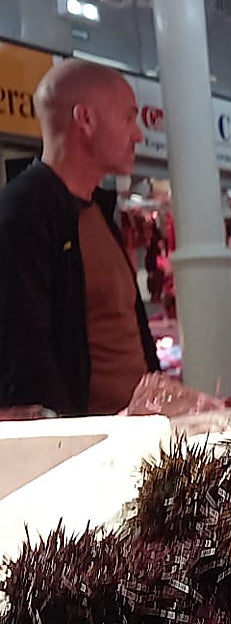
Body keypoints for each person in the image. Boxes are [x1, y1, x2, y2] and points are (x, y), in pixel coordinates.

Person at [0, 59, 159, 416]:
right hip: (90, 451)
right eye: (128, 117)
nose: (138, 134)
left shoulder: (97, 211)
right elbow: (22, 354)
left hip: (136, 439)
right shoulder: (22, 215)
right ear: (85, 119)